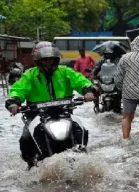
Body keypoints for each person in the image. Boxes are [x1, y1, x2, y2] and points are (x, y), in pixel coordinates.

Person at [5, 41, 96, 169]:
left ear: (57, 60)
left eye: (52, 60)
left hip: (63, 112)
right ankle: (31, 164)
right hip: (36, 115)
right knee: (25, 139)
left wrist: (88, 90)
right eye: (45, 60)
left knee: (81, 130)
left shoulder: (65, 71)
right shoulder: (29, 75)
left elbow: (80, 80)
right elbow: (18, 89)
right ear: (38, 61)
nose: (49, 64)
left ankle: (82, 156)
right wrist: (14, 101)